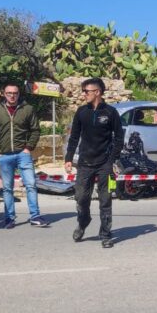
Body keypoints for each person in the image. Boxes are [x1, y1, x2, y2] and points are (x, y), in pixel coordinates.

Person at [64, 78, 124, 248]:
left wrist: (112, 159)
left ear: (97, 92)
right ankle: (83, 222)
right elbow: (74, 137)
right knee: (81, 198)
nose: (83, 94)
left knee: (105, 200)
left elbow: (119, 138)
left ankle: (105, 234)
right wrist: (69, 158)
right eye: (83, 91)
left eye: (86, 91)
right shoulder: (81, 112)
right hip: (84, 163)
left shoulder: (111, 112)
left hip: (104, 163)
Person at [0, 83, 44, 228]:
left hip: (22, 153)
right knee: (7, 188)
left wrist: (28, 147)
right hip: (4, 156)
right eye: (9, 93)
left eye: (15, 93)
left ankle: (35, 216)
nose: (12, 96)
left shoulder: (28, 109)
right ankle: (9, 218)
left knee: (31, 184)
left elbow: (35, 130)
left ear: (19, 94)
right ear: (4, 94)